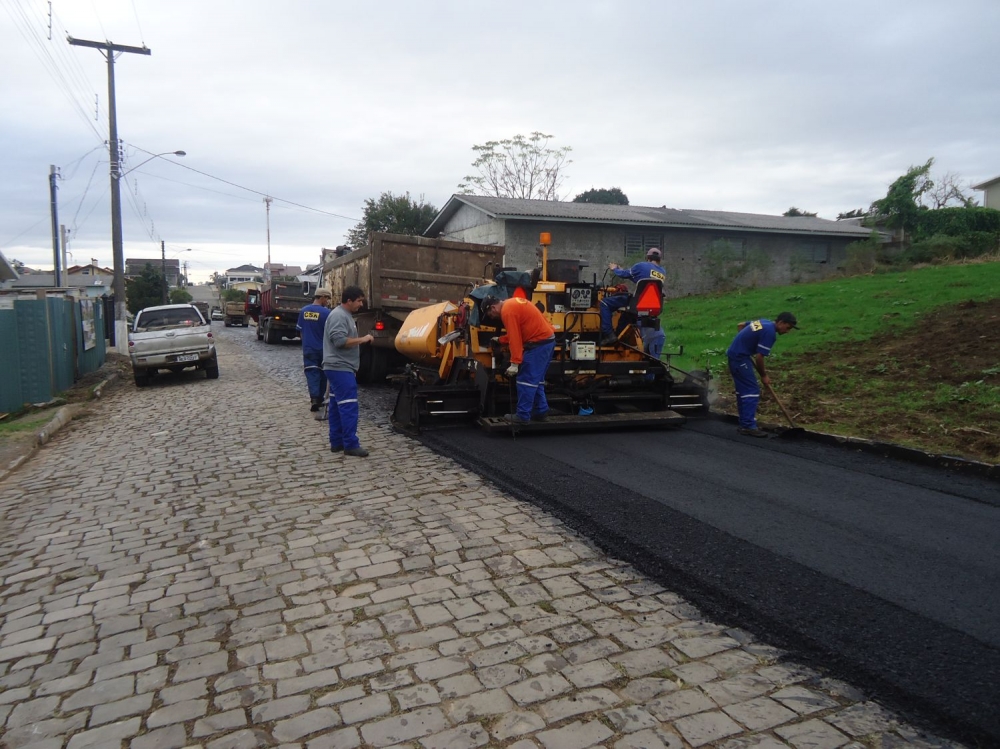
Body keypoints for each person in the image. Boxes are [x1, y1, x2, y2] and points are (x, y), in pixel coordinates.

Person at [483, 294, 556, 424]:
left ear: (493, 308)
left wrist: (515, 363)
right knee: (536, 380)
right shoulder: (512, 304)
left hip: (538, 345)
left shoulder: (507, 312)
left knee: (525, 380)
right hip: (547, 341)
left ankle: (522, 415)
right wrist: (500, 340)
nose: (492, 317)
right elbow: (516, 333)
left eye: (489, 314)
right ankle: (541, 411)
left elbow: (515, 339)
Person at [726, 312, 798, 437]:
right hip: (740, 358)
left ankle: (744, 424)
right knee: (751, 390)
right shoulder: (770, 333)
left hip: (735, 355)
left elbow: (741, 325)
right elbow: (759, 357)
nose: (787, 331)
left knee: (743, 391)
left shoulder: (764, 322)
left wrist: (743, 343)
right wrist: (764, 376)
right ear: (780, 322)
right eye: (788, 327)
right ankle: (748, 426)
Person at [322, 286, 374, 456]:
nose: (361, 304)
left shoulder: (344, 315)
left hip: (338, 367)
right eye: (359, 300)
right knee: (349, 405)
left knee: (337, 406)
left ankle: (336, 442)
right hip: (340, 368)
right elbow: (339, 341)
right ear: (349, 301)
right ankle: (351, 444)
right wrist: (363, 339)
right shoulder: (339, 316)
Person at [601, 247, 667, 345]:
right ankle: (620, 337)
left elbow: (624, 274)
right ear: (659, 260)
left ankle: (609, 335)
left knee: (604, 303)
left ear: (647, 258)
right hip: (652, 306)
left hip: (637, 303)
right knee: (626, 314)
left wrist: (615, 269)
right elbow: (642, 281)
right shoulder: (662, 272)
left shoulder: (641, 265)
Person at [297, 288, 333, 412]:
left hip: (308, 348)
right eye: (327, 299)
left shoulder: (304, 311)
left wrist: (306, 344)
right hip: (323, 349)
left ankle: (314, 399)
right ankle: (320, 398)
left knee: (311, 372)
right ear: (322, 297)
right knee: (323, 373)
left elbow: (301, 332)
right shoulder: (327, 313)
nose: (328, 302)